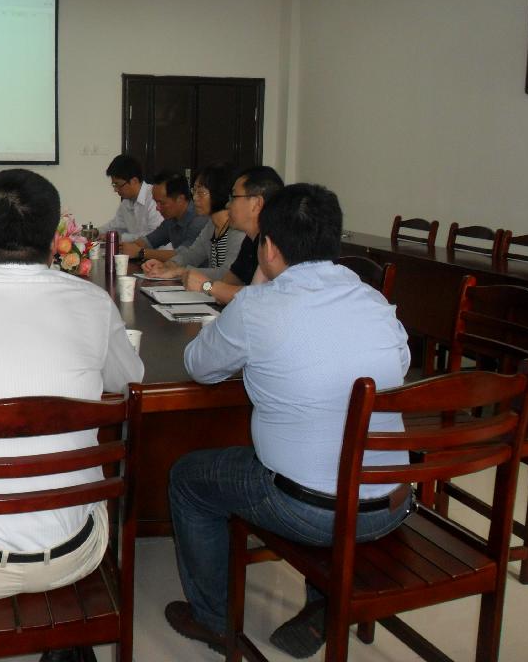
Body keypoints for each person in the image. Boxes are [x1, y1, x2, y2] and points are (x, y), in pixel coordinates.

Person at [163, 183, 411, 658]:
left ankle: (212, 620)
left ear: (269, 246)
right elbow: (398, 364)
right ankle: (322, 601)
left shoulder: (259, 306)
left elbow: (199, 366)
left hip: (310, 511)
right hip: (391, 502)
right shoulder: (373, 300)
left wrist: (260, 284)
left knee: (188, 478)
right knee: (323, 449)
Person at [0, 169, 144, 662]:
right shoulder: (93, 302)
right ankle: (66, 636)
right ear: (56, 238)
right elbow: (129, 381)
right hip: (76, 554)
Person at [180, 166, 283, 304]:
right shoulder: (250, 240)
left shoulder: (277, 244)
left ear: (256, 204)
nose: (228, 204)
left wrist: (207, 286)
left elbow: (261, 297)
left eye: (233, 197)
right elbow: (229, 282)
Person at [141, 162, 245, 281]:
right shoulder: (211, 225)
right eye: (194, 191)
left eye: (201, 193)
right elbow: (192, 254)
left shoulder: (238, 229)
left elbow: (228, 274)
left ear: (219, 192)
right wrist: (167, 266)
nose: (194, 198)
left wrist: (180, 271)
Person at [119, 170, 207, 262]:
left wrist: (141, 252)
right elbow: (149, 241)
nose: (157, 208)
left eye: (162, 203)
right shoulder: (171, 219)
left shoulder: (199, 219)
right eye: (156, 202)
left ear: (180, 199)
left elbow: (184, 255)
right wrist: (124, 248)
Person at [100, 155, 163, 243]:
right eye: (114, 185)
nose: (115, 190)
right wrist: (96, 232)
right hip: (138, 250)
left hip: (158, 251)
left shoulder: (153, 197)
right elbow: (116, 226)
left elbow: (155, 234)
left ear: (134, 181)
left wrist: (122, 238)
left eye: (118, 185)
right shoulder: (126, 202)